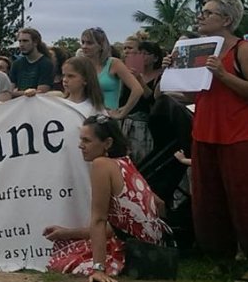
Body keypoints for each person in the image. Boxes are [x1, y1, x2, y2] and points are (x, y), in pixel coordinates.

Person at [162, 0, 248, 281]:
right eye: (202, 11)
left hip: (242, 135)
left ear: (227, 20)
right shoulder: (196, 50)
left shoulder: (243, 50)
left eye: (208, 13)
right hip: (206, 133)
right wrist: (171, 74)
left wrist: (224, 74)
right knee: (209, 203)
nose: (201, 16)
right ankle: (222, 257)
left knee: (247, 202)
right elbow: (192, 95)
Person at [44, 116, 167, 281]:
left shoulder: (101, 164)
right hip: (154, 251)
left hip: (133, 255)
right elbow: (159, 204)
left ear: (107, 143)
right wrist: (67, 233)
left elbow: (99, 220)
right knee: (69, 241)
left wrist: (98, 269)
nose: (80, 146)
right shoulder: (125, 162)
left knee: (62, 257)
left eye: (86, 141)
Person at [80, 27, 143, 120]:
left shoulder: (114, 63)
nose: (84, 46)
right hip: (85, 118)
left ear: (101, 45)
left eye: (90, 43)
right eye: (83, 42)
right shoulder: (82, 65)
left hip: (107, 120)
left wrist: (122, 112)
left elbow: (137, 89)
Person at [118, 40, 164, 163]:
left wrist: (139, 80)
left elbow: (153, 99)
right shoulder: (132, 73)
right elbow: (124, 99)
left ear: (155, 58)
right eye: (139, 53)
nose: (141, 57)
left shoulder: (161, 76)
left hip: (149, 124)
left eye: (145, 53)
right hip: (129, 122)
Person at [10, 28, 55, 97]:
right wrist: (26, 93)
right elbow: (9, 91)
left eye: (25, 41)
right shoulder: (16, 64)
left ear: (35, 42)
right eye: (20, 41)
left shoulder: (46, 64)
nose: (21, 44)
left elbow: (41, 93)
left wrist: (17, 93)